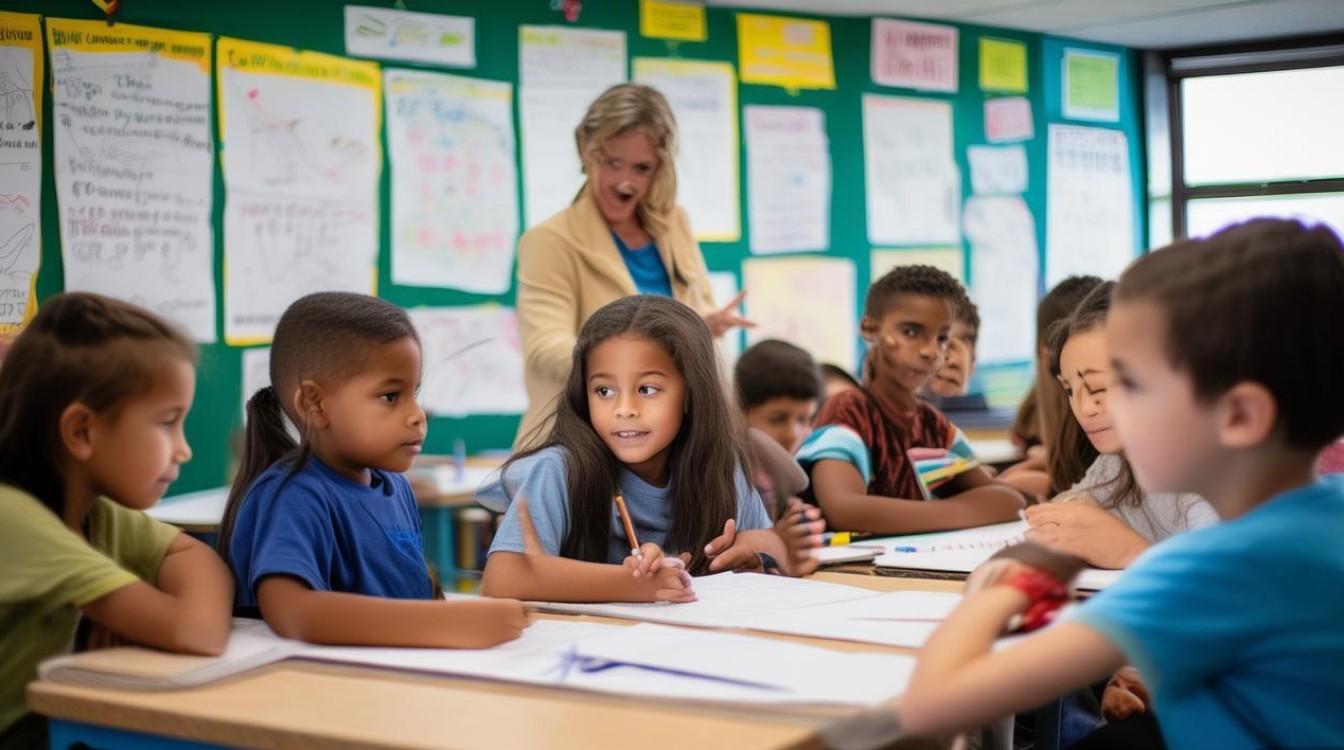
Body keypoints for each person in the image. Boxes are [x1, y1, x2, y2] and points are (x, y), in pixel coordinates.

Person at [889, 219, 1344, 748]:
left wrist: (999, 593)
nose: (1099, 410)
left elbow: (934, 701)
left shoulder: (1209, 571)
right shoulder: (1325, 517)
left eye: (1133, 385)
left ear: (1240, 415)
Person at [218, 292, 528, 648]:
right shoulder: (293, 496)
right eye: (390, 397)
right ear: (314, 404)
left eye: (415, 392)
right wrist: (445, 622)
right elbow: (293, 613)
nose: (418, 414)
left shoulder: (396, 488)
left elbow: (417, 599)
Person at [0, 293, 233, 749]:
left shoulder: (97, 512)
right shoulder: (14, 517)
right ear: (82, 431)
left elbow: (198, 558)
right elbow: (198, 632)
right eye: (167, 423)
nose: (184, 450)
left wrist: (148, 612)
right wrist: (163, 613)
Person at [479, 296, 786, 603]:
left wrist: (756, 557)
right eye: (604, 391)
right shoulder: (558, 470)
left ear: (692, 393)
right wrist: (634, 583)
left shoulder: (721, 470)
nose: (624, 409)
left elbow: (775, 547)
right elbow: (503, 579)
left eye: (647, 390)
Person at [514, 83, 751, 448]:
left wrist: (703, 326)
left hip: (674, 446)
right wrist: (649, 347)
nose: (625, 182)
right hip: (582, 448)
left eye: (642, 168)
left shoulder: (675, 225)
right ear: (584, 148)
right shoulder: (549, 241)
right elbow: (545, 351)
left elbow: (689, 317)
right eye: (612, 163)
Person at [796, 265, 1026, 534]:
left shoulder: (932, 426)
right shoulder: (849, 410)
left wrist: (912, 515)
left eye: (941, 337)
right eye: (911, 332)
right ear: (870, 328)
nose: (930, 351)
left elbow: (1009, 502)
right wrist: (962, 509)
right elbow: (844, 510)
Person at [1026, 281, 1217, 570]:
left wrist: (1129, 550)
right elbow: (1073, 505)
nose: (1083, 408)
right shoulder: (1116, 462)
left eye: (1097, 388)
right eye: (1069, 390)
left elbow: (1228, 592)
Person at [734, 339, 827, 575]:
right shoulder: (730, 476)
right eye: (777, 419)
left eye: (804, 419)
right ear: (738, 410)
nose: (792, 434)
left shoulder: (783, 475)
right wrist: (779, 546)